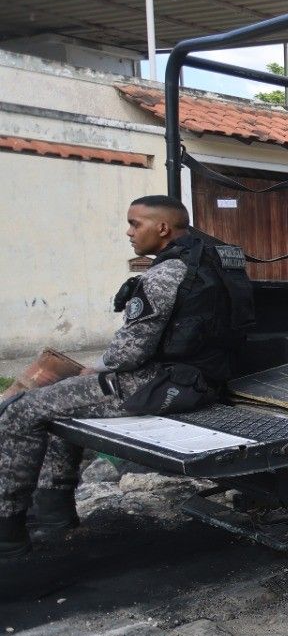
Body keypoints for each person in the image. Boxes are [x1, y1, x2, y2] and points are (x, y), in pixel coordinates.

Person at [0, 196, 249, 557]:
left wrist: (94, 368)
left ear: (162, 228)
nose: (129, 232)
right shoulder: (212, 262)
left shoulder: (165, 273)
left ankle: (7, 532)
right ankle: (52, 517)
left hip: (158, 384)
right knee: (61, 401)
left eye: (135, 223)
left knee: (22, 410)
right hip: (195, 379)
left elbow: (128, 353)